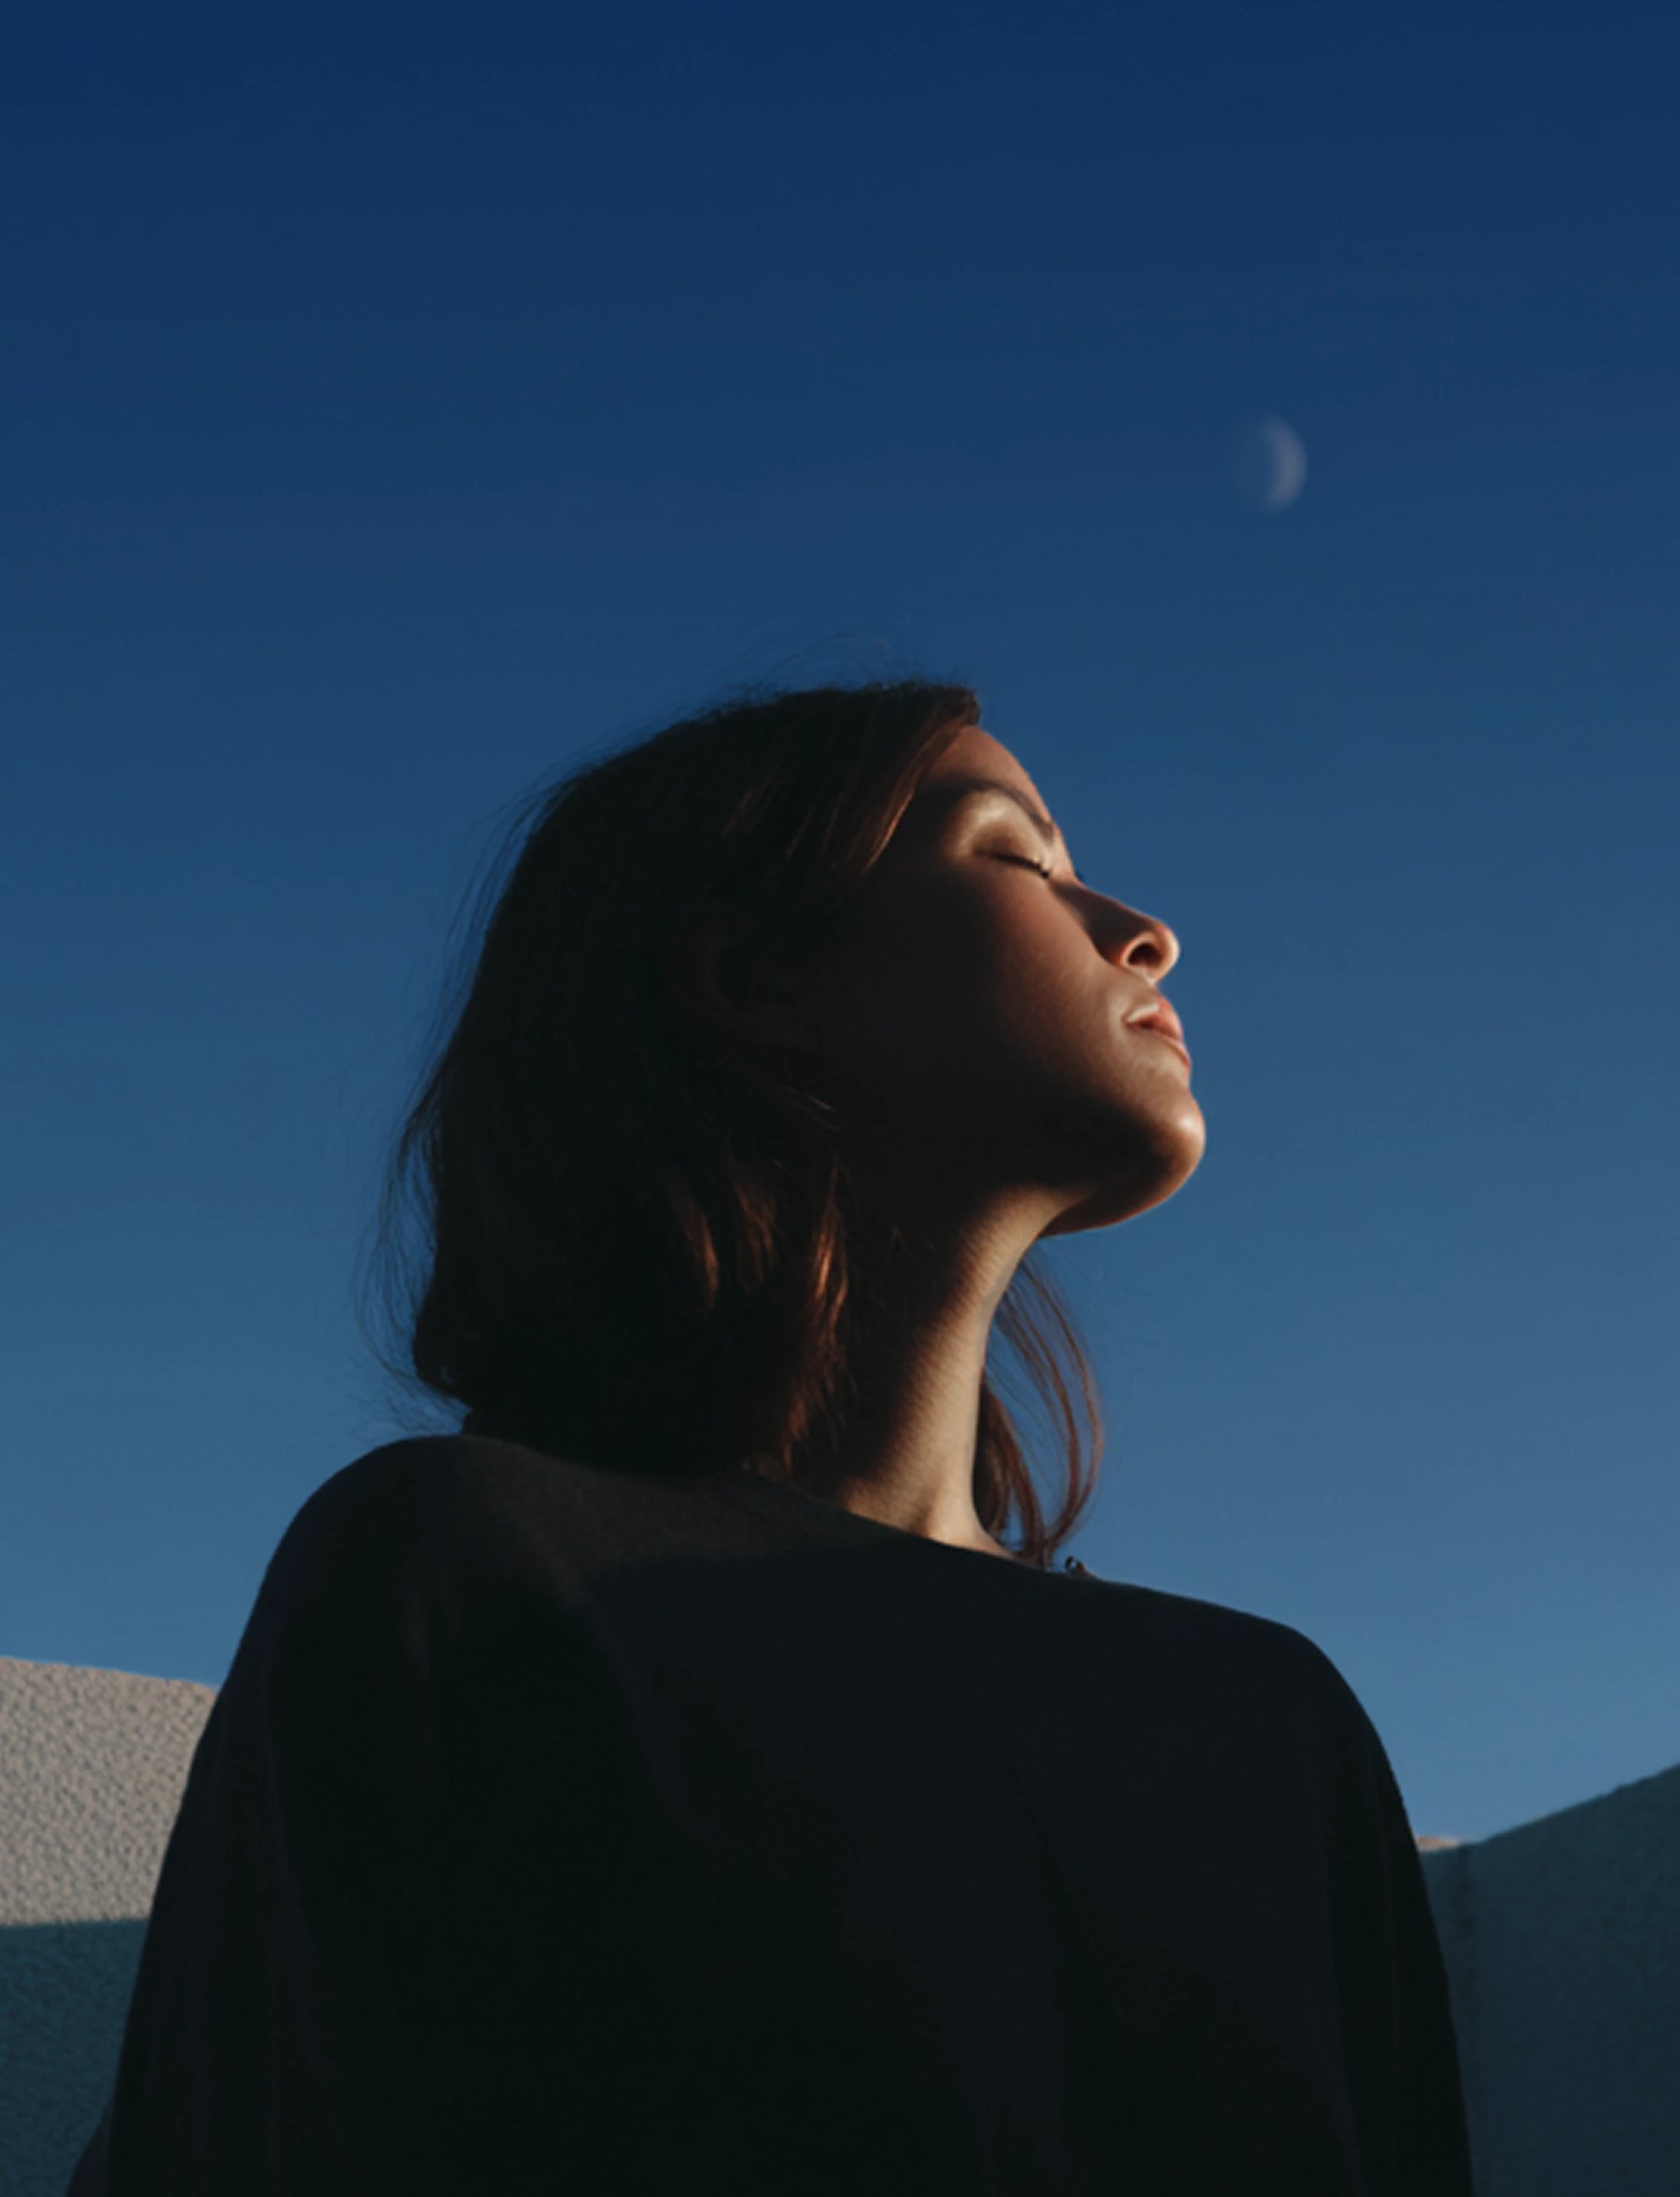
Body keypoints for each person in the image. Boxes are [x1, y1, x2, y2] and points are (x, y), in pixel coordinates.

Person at [66, 679, 1476, 2194]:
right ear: (755, 975)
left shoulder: (1274, 1720)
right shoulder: (472, 1577)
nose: (1140, 927)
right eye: (1020, 858)